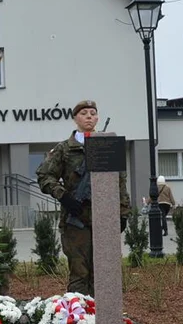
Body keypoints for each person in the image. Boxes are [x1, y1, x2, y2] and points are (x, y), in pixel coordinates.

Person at [36, 100, 130, 296]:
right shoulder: (64, 149)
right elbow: (45, 175)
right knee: (79, 274)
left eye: (92, 113)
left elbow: (119, 182)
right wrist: (64, 197)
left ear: (97, 118)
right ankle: (80, 320)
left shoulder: (108, 146)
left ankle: (104, 322)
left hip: (104, 217)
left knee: (105, 273)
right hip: (76, 220)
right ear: (75, 119)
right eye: (83, 113)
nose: (89, 116)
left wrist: (123, 213)